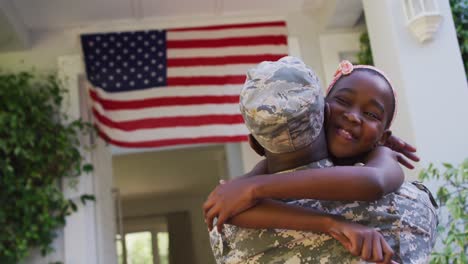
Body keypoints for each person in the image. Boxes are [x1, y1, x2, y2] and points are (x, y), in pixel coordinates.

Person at [204, 58, 438, 263]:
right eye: (344, 102)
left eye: (371, 115)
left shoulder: (227, 227)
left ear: (254, 144)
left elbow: (374, 181)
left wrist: (253, 187)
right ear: (324, 112)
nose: (353, 117)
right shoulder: (410, 205)